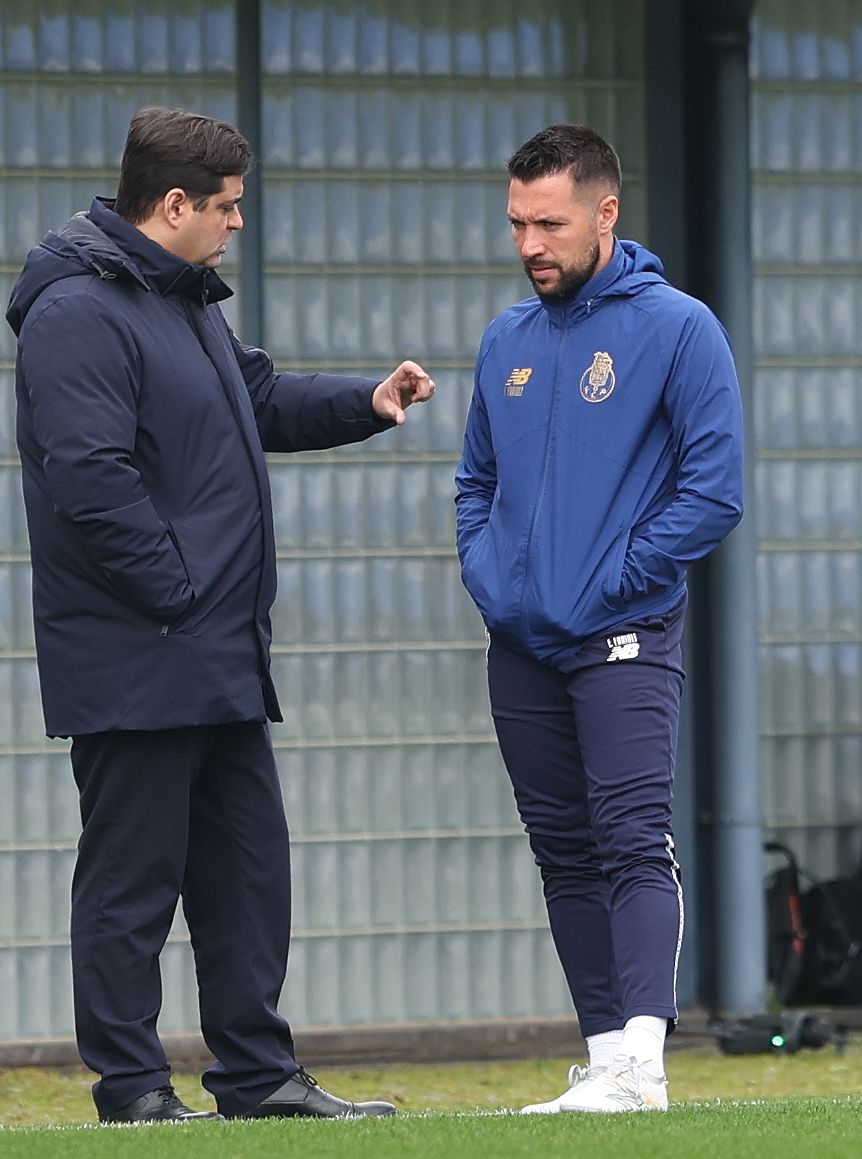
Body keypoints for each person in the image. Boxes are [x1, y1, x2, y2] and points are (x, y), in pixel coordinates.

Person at [5, 107, 434, 1123]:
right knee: (132, 884)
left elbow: (259, 398)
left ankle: (257, 1076)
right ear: (174, 204)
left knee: (247, 872)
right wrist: (180, 592)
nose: (239, 224)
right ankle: (133, 1090)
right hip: (140, 654)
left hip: (216, 654)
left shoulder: (181, 303)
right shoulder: (77, 313)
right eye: (229, 207)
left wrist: (365, 403)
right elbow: (90, 482)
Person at [455, 124, 744, 1114]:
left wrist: (619, 579)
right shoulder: (507, 339)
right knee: (563, 850)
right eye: (517, 223)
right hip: (520, 643)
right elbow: (474, 481)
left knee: (630, 838)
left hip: (624, 635)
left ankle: (645, 1066)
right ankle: (603, 1056)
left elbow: (714, 491)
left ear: (605, 212)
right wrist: (490, 578)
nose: (530, 243)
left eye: (550, 222)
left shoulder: (680, 328)